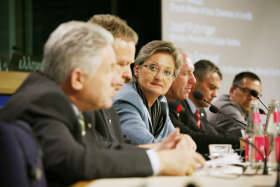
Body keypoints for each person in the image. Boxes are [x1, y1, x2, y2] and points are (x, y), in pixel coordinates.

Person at [0, 21, 204, 186]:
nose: (119, 79)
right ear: (78, 79)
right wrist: (161, 162)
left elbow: (97, 148)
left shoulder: (62, 99)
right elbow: (73, 162)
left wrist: (156, 150)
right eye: (109, 69)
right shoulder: (44, 100)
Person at [113, 40, 184, 144]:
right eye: (153, 68)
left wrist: (184, 141)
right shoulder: (126, 99)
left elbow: (175, 139)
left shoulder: (160, 102)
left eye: (167, 72)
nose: (159, 77)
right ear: (137, 69)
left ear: (173, 78)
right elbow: (145, 144)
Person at [167, 58, 240, 155]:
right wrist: (238, 142)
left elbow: (213, 133)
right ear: (194, 82)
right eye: (212, 88)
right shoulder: (174, 105)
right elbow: (196, 138)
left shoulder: (200, 111)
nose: (215, 95)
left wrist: (242, 139)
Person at [207, 71, 262, 138]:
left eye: (255, 94)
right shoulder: (227, 108)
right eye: (245, 91)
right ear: (232, 90)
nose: (251, 97)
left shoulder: (245, 109)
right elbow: (253, 135)